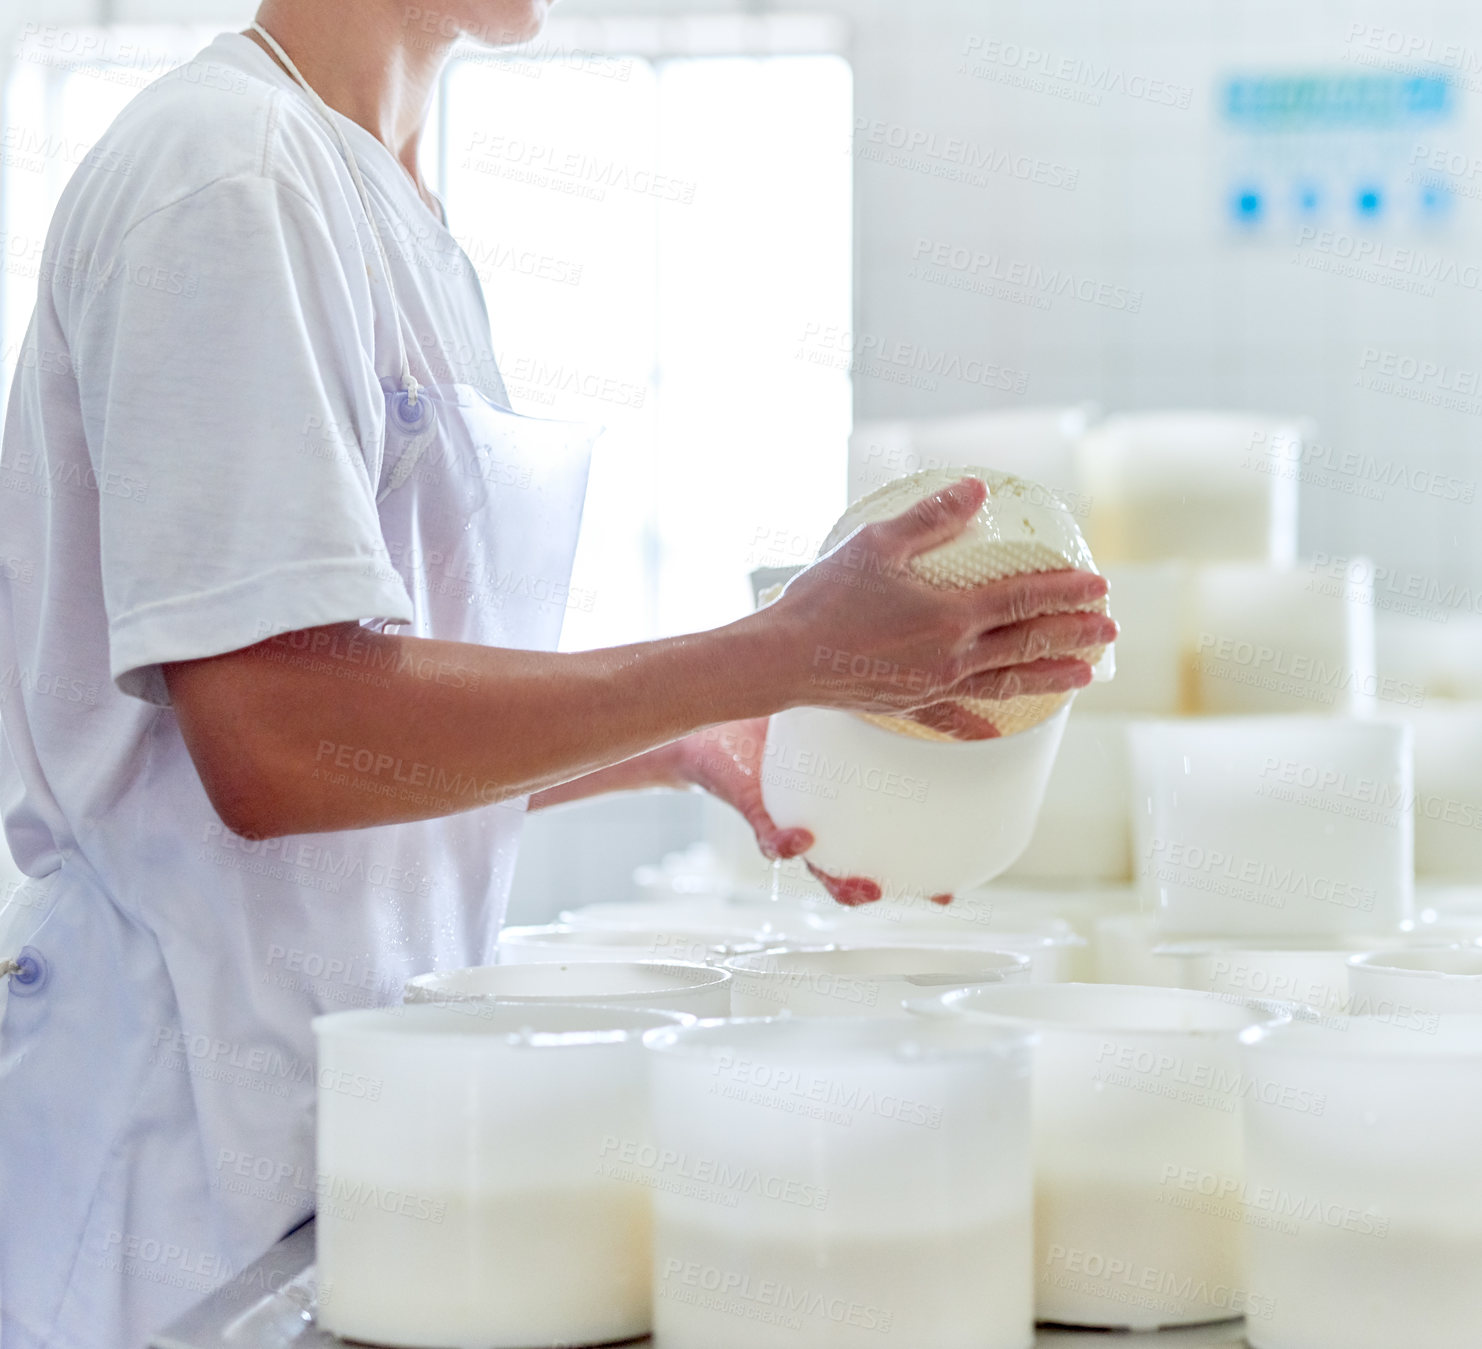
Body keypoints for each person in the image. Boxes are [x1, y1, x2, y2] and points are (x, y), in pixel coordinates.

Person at [0, 1, 1114, 1344]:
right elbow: (275, 736)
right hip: (167, 1200)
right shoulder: (229, 177)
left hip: (345, 1141)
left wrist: (693, 735)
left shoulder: (385, 201)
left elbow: (375, 737)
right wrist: (779, 650)